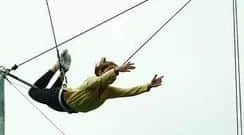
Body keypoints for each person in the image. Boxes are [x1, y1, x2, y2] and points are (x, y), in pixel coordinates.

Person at [27, 49, 163, 114]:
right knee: (33, 91)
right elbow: (99, 81)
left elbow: (128, 92)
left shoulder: (109, 92)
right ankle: (57, 68)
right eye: (109, 70)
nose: (113, 75)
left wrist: (148, 86)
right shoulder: (92, 81)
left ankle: (62, 70)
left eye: (114, 73)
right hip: (61, 98)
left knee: (47, 92)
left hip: (64, 107)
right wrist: (116, 70)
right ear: (100, 72)